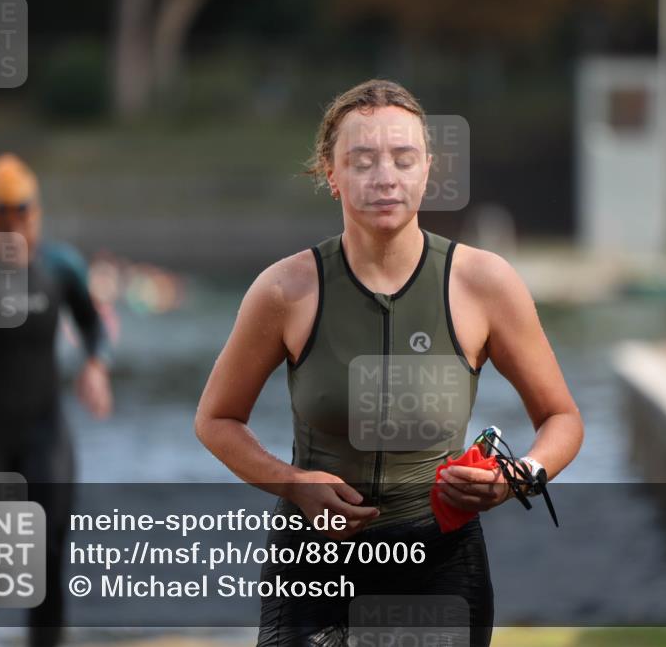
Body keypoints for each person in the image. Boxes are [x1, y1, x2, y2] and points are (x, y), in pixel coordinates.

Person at [194, 79, 584, 646]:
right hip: (313, 563)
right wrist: (294, 482)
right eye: (362, 160)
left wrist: (514, 478)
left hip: (442, 562)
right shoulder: (284, 290)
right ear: (331, 174)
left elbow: (562, 418)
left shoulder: (483, 284)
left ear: (428, 169)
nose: (385, 177)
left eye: (403, 159)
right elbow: (216, 420)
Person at [0, 153, 114, 647]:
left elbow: (92, 323)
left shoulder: (60, 265)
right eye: (1, 216)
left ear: (36, 214)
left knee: (49, 547)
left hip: (41, 426)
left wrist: (95, 366)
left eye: (22, 214)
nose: (14, 228)